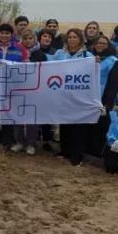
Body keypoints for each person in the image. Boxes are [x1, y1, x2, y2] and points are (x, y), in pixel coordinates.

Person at [51, 29, 94, 166]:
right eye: (69, 37)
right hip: (63, 94)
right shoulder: (59, 54)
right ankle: (65, 151)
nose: (72, 39)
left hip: (80, 95)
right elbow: (51, 69)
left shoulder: (87, 55)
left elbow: (91, 74)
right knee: (65, 124)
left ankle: (77, 154)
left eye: (75, 37)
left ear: (80, 39)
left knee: (79, 126)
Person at [91, 35, 118, 157]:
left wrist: (107, 104)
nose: (100, 45)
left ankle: (98, 151)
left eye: (104, 43)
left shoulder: (113, 61)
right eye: (98, 42)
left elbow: (114, 84)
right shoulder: (89, 57)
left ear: (108, 45)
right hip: (89, 98)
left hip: (104, 98)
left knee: (101, 125)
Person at [33, 29, 58, 150]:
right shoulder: (34, 52)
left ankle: (47, 140)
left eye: (49, 37)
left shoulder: (56, 53)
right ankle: (35, 136)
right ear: (39, 38)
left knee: (47, 114)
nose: (47, 39)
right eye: (44, 36)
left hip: (50, 87)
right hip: (36, 86)